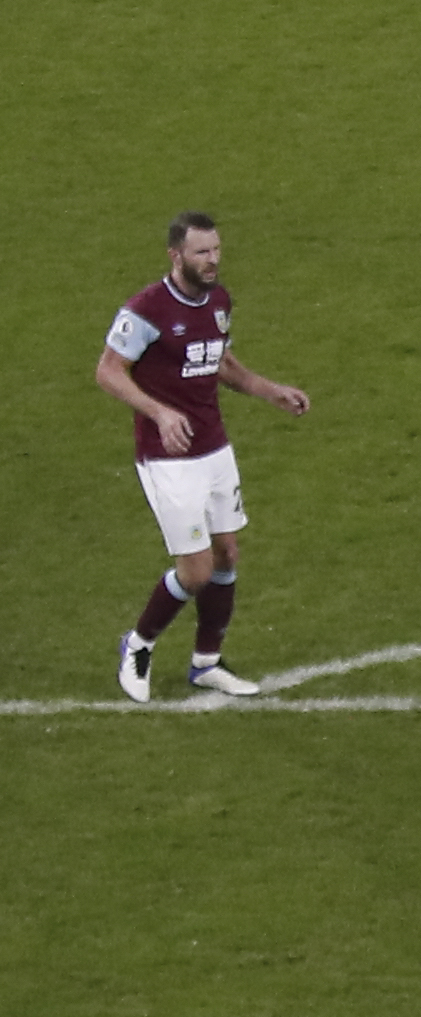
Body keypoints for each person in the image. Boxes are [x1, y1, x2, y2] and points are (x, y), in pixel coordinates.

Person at [96, 212, 311, 701]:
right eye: (201, 252)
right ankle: (138, 643)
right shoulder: (145, 310)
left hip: (214, 447)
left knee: (227, 554)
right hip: (167, 456)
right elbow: (108, 371)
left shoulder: (219, 301)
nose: (212, 260)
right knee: (195, 570)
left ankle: (206, 663)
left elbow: (221, 363)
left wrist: (270, 391)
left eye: (216, 250)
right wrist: (159, 413)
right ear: (175, 255)